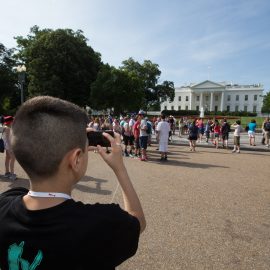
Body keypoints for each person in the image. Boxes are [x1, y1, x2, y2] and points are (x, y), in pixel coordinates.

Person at [0, 96, 146, 269]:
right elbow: (137, 221)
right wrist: (119, 168)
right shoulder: (101, 224)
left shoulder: (4, 205)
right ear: (76, 159)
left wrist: (69, 136)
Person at [2, 116, 17, 180]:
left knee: (7, 159)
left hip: (6, 145)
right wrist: (10, 148)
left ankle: (7, 173)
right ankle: (12, 174)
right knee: (12, 159)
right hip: (9, 146)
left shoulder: (5, 127)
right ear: (10, 122)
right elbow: (8, 139)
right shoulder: (8, 128)